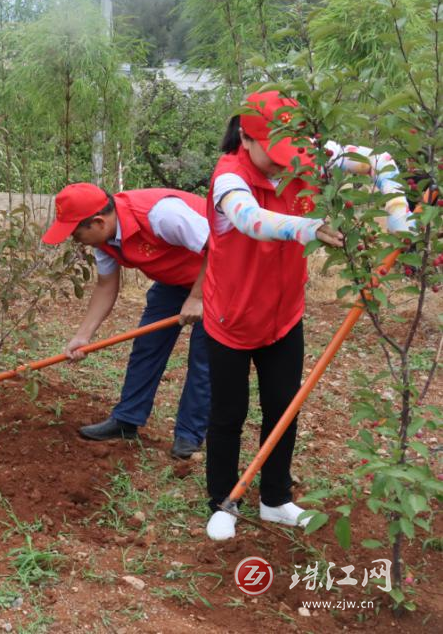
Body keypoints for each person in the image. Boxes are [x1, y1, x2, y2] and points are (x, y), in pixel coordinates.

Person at [203, 91, 409, 541]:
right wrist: (308, 228)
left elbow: (382, 162)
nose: (283, 164)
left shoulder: (308, 158)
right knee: (227, 414)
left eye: (289, 154)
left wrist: (400, 220)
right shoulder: (228, 177)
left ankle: (275, 498)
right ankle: (222, 500)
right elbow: (250, 220)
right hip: (230, 320)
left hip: (283, 316)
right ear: (246, 137)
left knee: (283, 408)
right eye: (273, 155)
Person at [42, 183, 210, 459]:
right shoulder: (103, 239)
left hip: (221, 277)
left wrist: (198, 296)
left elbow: (220, 246)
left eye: (76, 233)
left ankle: (188, 437)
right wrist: (83, 335)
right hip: (174, 281)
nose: (75, 240)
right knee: (147, 345)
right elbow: (106, 286)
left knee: (203, 359)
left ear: (98, 221)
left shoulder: (162, 214)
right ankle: (127, 420)